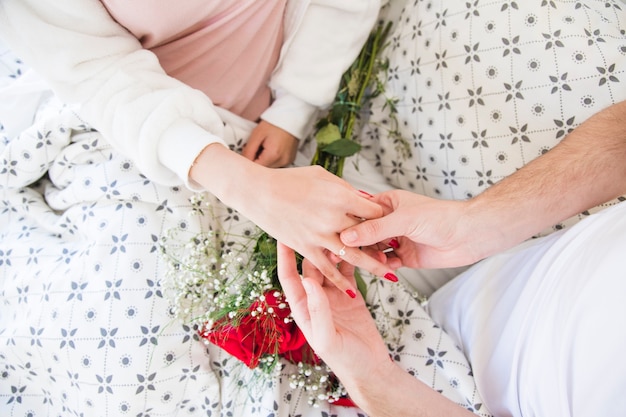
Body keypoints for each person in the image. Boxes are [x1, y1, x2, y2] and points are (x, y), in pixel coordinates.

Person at [0, 0, 394, 298]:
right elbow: (99, 77)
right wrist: (252, 188)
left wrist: (293, 110)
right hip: (142, 132)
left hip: (282, 119)